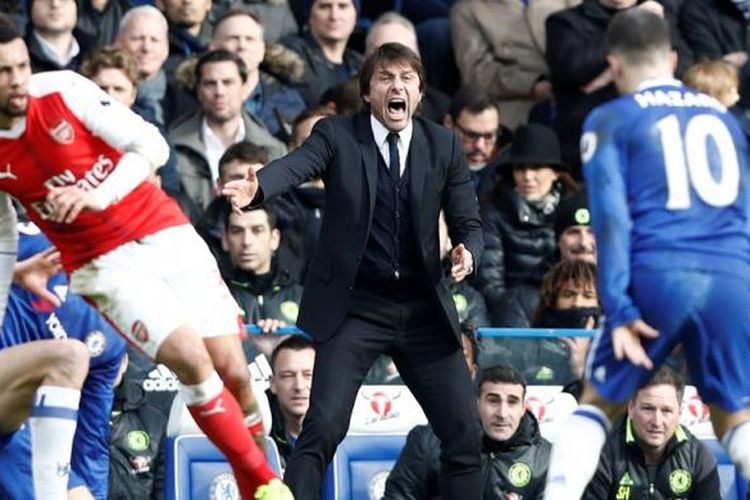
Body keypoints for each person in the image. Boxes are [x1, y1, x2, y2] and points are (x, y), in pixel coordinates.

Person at [0, 15, 289, 499]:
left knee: (234, 371)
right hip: (100, 264)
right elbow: (4, 236)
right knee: (193, 362)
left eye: (22, 66)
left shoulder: (63, 90)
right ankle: (265, 485)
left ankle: (252, 485)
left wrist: (99, 195)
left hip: (163, 230)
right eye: (4, 71)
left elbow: (151, 145)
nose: (17, 80)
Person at [222, 42, 484, 499]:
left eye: (407, 78)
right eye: (385, 78)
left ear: (420, 93)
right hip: (356, 309)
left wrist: (468, 252)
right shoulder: (337, 135)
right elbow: (297, 166)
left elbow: (468, 221)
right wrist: (260, 185)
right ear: (367, 93)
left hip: (424, 310)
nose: (396, 86)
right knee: (321, 429)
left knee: (464, 435)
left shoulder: (442, 144)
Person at [544, 10, 750, 498]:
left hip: (660, 274)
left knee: (597, 403)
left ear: (612, 65)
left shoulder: (611, 118)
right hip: (731, 275)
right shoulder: (724, 118)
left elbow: (612, 221)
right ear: (674, 59)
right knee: (733, 414)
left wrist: (617, 307)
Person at [0, 222, 127, 500]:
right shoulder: (30, 245)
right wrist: (14, 274)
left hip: (21, 431)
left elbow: (90, 443)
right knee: (70, 356)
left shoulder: (113, 337)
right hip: (11, 412)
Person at [384, 364, 551, 500]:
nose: (502, 413)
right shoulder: (429, 441)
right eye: (493, 401)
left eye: (512, 402)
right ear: (475, 402)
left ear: (523, 408)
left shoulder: (546, 458)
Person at [475, 123, 578, 327]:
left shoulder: (575, 209)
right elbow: (489, 286)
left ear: (556, 172)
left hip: (570, 313)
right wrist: (523, 312)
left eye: (537, 167)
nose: (527, 176)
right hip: (513, 324)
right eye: (520, 168)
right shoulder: (493, 214)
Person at [169, 48, 287, 222]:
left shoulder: (274, 150)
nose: (219, 92)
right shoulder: (172, 146)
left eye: (228, 82)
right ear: (199, 91)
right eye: (210, 83)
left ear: (245, 88)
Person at [583, 365, 721, 499]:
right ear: (631, 408)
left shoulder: (697, 456)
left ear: (679, 414)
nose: (657, 422)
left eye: (667, 411)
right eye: (648, 409)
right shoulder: (604, 452)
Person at [108, 353, 168, 500]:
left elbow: (164, 491)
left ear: (124, 362)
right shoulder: (72, 416)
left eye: (111, 358)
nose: (105, 366)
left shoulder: (153, 420)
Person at [280, 0, 362, 106]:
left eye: (343, 6)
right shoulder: (289, 52)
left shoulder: (359, 64)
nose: (334, 16)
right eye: (324, 7)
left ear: (356, 15)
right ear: (309, 15)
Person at [267, 335, 315, 469]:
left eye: (308, 375)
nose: (299, 386)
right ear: (273, 383)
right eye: (288, 376)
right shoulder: (259, 437)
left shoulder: (345, 434)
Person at [553, 189, 596, 263]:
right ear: (558, 241)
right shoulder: (537, 273)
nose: (583, 243)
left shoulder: (620, 273)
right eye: (574, 232)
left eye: (591, 232)